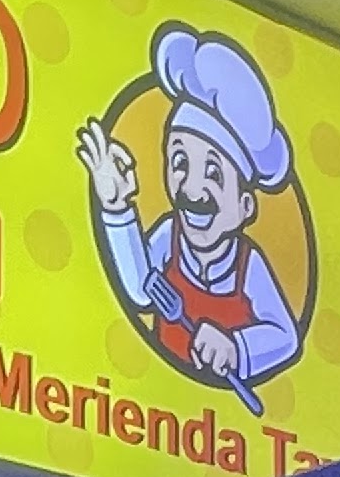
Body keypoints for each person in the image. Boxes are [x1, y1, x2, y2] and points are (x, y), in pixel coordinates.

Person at [78, 25, 303, 405]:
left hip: (217, 422)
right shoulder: (169, 235)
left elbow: (286, 337)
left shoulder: (248, 266)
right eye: (180, 162)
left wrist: (235, 347)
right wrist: (117, 208)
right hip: (151, 398)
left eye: (214, 173)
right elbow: (141, 289)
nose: (192, 189)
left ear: (245, 207)